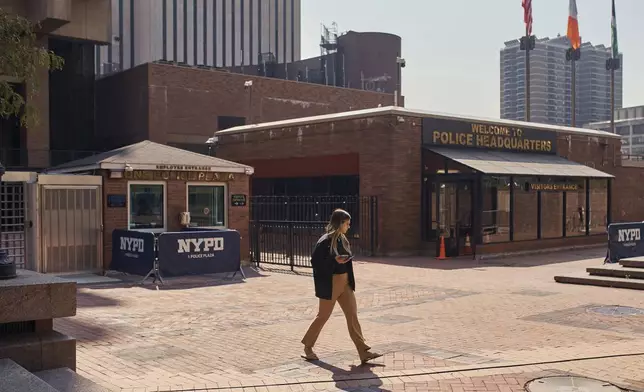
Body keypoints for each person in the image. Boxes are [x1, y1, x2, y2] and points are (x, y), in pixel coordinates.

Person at [301, 209, 382, 364]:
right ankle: (308, 346)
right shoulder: (325, 241)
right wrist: (334, 261)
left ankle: (363, 351)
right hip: (331, 283)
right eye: (347, 223)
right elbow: (315, 262)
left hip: (345, 282)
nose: (349, 226)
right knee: (323, 316)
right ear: (339, 223)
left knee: (352, 314)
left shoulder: (343, 239)